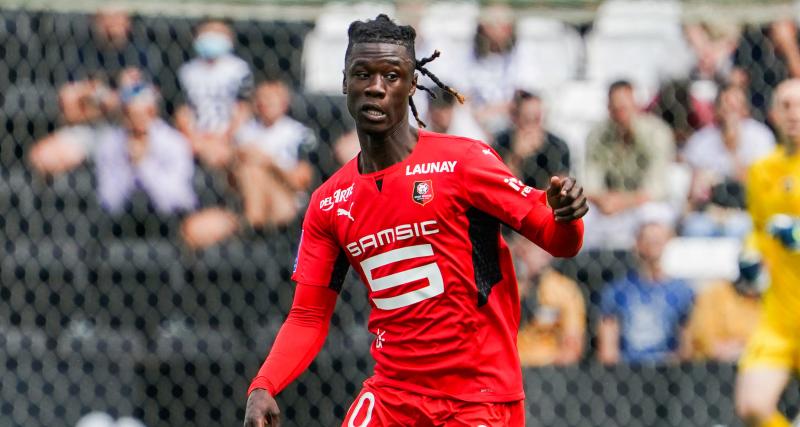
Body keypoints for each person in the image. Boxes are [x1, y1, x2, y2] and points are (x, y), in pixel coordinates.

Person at [244, 14, 588, 427]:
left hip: (477, 399)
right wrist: (265, 383)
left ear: (411, 86)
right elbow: (307, 316)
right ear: (344, 83)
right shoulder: (328, 202)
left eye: (392, 75)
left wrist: (567, 217)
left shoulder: (464, 161)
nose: (376, 86)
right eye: (362, 74)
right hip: (393, 397)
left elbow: (558, 240)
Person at [735, 79, 800, 427]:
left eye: (799, 105)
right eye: (786, 106)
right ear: (773, 114)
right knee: (752, 407)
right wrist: (749, 256)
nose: (794, 114)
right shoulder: (762, 172)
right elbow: (758, 231)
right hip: (779, 316)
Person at [583, 80, 677, 249]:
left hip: (643, 204)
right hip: (607, 205)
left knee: (654, 217)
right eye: (616, 109)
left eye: (625, 108)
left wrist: (622, 201)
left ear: (636, 106)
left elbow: (655, 188)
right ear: (608, 109)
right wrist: (603, 200)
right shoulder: (597, 136)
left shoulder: (656, 133)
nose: (621, 115)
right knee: (578, 218)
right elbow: (589, 183)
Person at [681, 84, 775, 238]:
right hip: (711, 210)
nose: (730, 112)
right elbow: (692, 193)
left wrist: (732, 148)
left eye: (735, 106)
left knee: (738, 228)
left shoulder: (761, 137)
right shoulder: (700, 140)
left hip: (745, 209)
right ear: (716, 109)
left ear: (745, 109)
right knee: (695, 228)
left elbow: (759, 186)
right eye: (725, 105)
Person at [597, 222, 694, 365]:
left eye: (658, 241)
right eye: (648, 240)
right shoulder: (618, 290)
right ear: (637, 244)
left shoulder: (681, 291)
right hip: (626, 370)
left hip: (668, 371)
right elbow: (608, 350)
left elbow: (687, 346)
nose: (653, 245)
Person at [94, 83, 197, 216]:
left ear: (153, 112)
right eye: (129, 114)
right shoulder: (110, 143)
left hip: (171, 217)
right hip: (122, 217)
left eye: (143, 114)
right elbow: (107, 198)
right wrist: (129, 166)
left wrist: (143, 164)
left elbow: (175, 198)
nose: (135, 121)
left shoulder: (174, 142)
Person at [235, 80, 316, 228]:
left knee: (254, 170)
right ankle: (254, 223)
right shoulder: (244, 132)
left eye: (271, 99)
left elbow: (301, 182)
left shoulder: (299, 134)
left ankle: (253, 225)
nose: (264, 103)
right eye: (261, 98)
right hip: (246, 195)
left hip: (287, 198)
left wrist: (270, 162)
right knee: (251, 170)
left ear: (284, 103)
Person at [175, 20, 253, 169]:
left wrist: (224, 139)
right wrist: (197, 140)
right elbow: (182, 111)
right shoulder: (187, 71)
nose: (211, 36)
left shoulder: (240, 69)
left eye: (218, 32)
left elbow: (244, 109)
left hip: (232, 135)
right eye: (207, 32)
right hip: (195, 137)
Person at [511, 235, 585, 367]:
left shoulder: (565, 290)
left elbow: (573, 347)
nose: (544, 254)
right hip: (510, 366)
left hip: (550, 368)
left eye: (546, 248)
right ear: (520, 250)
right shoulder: (505, 287)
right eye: (536, 248)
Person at [687, 248, 764, 362]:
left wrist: (743, 347)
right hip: (714, 370)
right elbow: (708, 343)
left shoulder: (771, 301)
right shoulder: (715, 293)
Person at [495, 90, 571, 190]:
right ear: (515, 117)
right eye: (526, 118)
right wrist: (518, 156)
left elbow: (558, 189)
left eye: (536, 117)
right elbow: (502, 187)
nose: (531, 125)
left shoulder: (558, 145)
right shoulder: (502, 142)